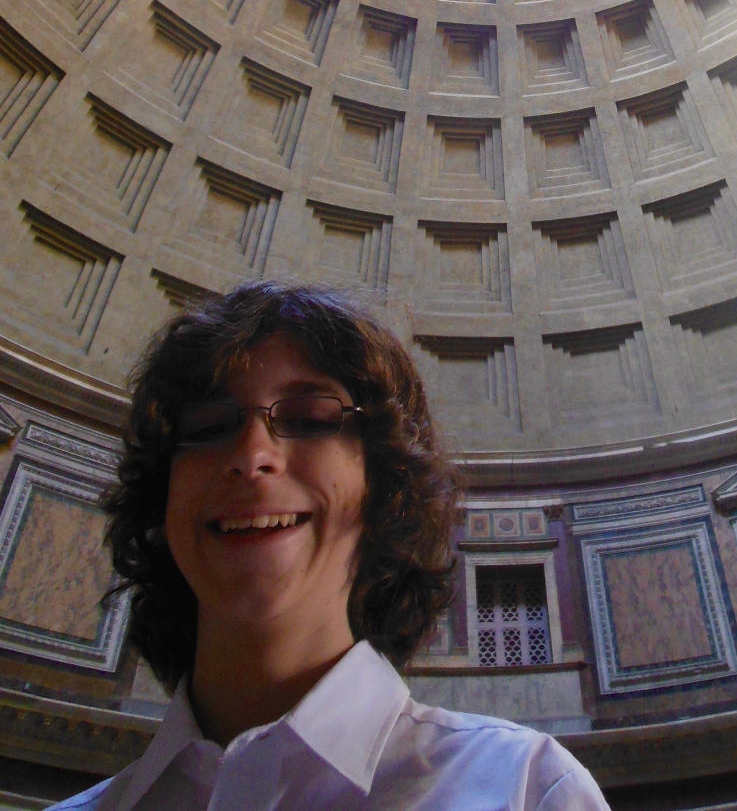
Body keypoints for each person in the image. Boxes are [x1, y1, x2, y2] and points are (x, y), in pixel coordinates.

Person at [53, 282, 608, 811]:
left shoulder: (526, 791)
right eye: (207, 425)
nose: (251, 455)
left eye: (310, 418)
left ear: (382, 488)